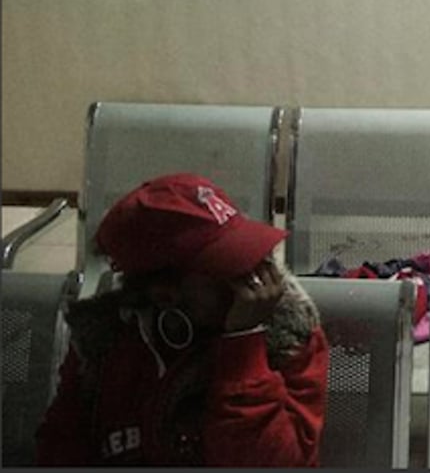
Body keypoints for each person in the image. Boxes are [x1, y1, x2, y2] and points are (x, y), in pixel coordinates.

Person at [37, 173, 329, 466]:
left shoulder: (287, 338)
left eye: (252, 253)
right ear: (165, 294)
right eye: (231, 264)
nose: (254, 274)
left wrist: (244, 349)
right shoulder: (103, 343)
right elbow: (60, 450)